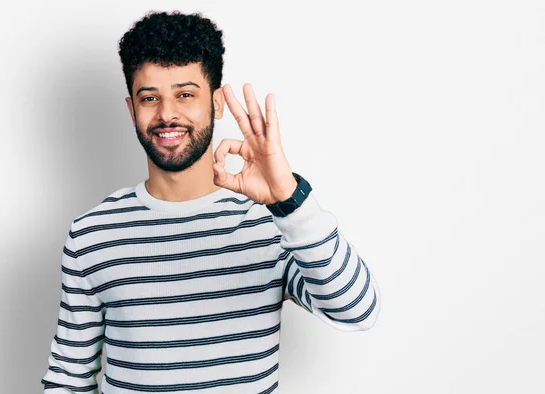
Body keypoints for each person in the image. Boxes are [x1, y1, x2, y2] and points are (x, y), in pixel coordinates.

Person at [41, 10, 380, 393]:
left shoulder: (273, 223)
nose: (167, 114)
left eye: (185, 94)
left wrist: (289, 198)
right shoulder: (93, 233)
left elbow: (357, 310)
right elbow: (68, 376)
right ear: (131, 109)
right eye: (150, 98)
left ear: (217, 103)